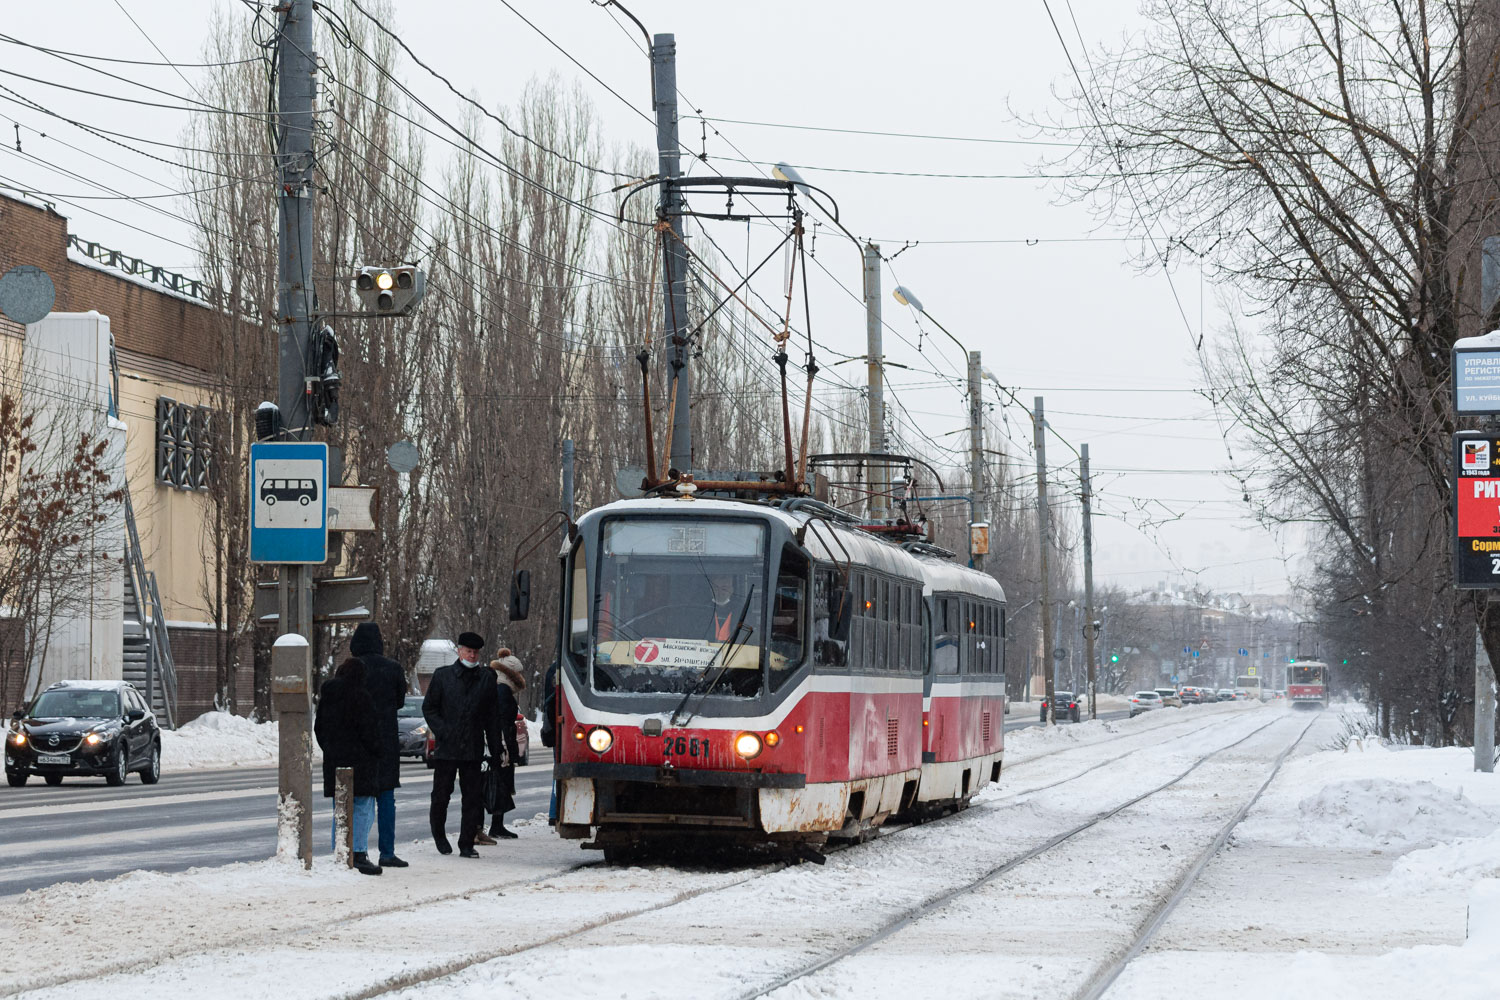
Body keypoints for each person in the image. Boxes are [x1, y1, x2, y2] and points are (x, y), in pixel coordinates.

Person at [422, 631, 502, 858]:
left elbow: (492, 717)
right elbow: (429, 708)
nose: (472, 655)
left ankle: (466, 843)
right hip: (447, 748)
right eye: (468, 651)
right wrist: (444, 730)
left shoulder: (485, 679)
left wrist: (496, 748)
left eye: (476, 652)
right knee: (441, 795)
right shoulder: (443, 676)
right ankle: (439, 835)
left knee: (472, 798)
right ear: (459, 651)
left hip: (472, 748)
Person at [314, 657, 382, 876]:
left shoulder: (328, 696)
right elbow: (370, 732)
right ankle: (359, 853)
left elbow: (319, 729)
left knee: (341, 808)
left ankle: (341, 851)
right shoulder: (362, 697)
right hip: (361, 763)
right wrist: (376, 751)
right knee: (362, 807)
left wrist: (331, 750)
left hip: (335, 762)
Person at [349, 622, 410, 869]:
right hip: (386, 740)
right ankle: (387, 851)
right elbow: (399, 701)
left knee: (358, 800)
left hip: (359, 741)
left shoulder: (351, 668)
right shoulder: (393, 668)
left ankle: (355, 849)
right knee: (386, 797)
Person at [484, 649, 526, 841]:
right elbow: (500, 721)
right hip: (502, 745)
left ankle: (497, 825)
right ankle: (496, 826)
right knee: (500, 784)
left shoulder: (498, 689)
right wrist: (504, 748)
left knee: (501, 784)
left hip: (502, 743)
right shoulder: (502, 691)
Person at [540, 658, 559, 825]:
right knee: (560, 772)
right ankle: (555, 812)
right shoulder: (561, 669)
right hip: (560, 731)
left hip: (556, 730)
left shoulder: (555, 668)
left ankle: (554, 812)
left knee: (558, 771)